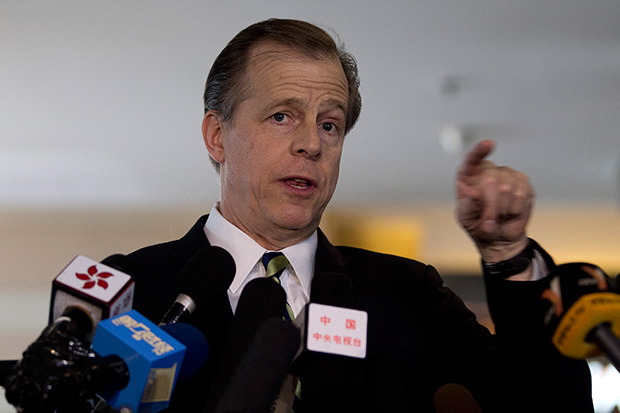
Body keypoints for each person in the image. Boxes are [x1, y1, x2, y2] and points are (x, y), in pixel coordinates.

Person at [125, 18, 594, 412]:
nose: (312, 143)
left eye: (330, 124)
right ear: (217, 136)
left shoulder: (408, 293)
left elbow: (543, 403)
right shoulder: (134, 290)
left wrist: (507, 255)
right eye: (282, 116)